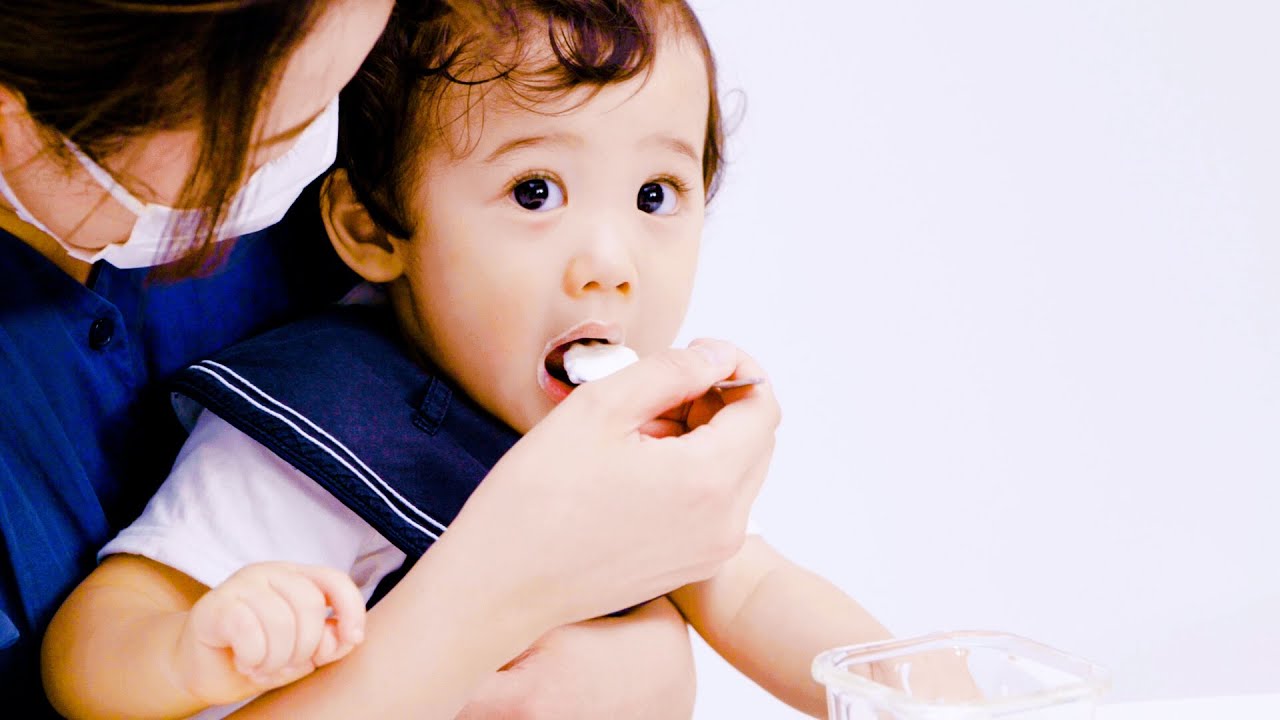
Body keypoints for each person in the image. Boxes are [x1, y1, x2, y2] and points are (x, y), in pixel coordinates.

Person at [42, 2, 892, 718]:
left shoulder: (635, 437)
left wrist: (912, 688)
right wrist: (193, 648)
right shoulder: (328, 416)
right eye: (534, 192)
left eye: (655, 196)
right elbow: (90, 643)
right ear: (372, 230)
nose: (611, 261)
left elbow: (749, 589)